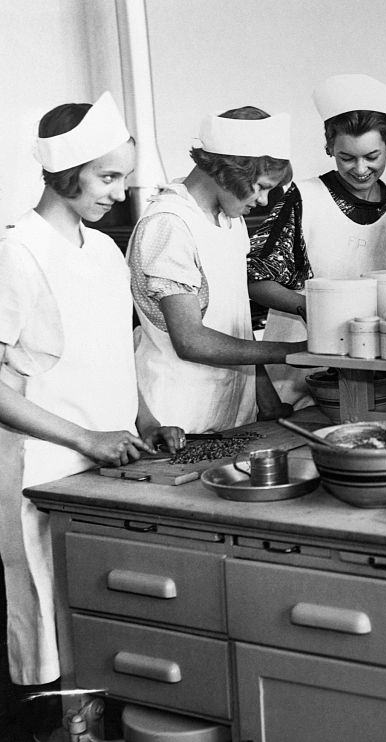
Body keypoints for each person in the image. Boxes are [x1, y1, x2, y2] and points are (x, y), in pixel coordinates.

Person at [0, 93, 184, 738]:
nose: (119, 192)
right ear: (64, 171)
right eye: (108, 178)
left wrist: (147, 419)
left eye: (123, 178)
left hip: (110, 462)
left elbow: (113, 355)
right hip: (44, 470)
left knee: (108, 613)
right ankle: (56, 732)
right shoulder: (16, 253)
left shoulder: (103, 251)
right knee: (48, 628)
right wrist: (86, 437)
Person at [129, 106, 303, 433]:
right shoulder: (169, 224)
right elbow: (191, 341)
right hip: (177, 418)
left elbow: (236, 325)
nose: (264, 201)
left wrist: (267, 402)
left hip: (231, 413)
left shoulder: (229, 220)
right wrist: (294, 353)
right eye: (261, 187)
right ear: (229, 171)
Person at [248, 74, 386, 409]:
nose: (361, 168)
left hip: (374, 374)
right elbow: (254, 279)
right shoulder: (304, 197)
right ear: (329, 148)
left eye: (372, 156)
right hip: (298, 373)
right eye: (347, 157)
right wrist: (311, 308)